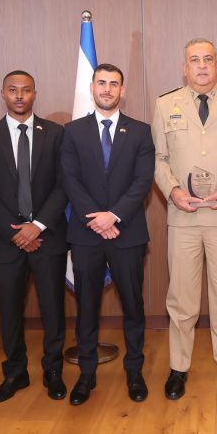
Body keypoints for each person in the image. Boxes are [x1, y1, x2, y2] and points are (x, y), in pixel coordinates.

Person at [152, 39, 217, 400]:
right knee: (181, 298)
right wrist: (172, 191)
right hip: (182, 217)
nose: (201, 66)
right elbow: (158, 159)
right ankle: (178, 367)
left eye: (208, 59)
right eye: (194, 60)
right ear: (184, 68)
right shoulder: (165, 104)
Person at [0, 71, 68, 404]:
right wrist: (15, 231)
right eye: (12, 90)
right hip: (5, 240)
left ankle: (53, 371)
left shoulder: (55, 134)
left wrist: (37, 226)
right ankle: (15, 372)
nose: (19, 96)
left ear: (34, 94)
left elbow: (63, 184)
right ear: (3, 93)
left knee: (53, 308)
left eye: (26, 90)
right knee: (9, 310)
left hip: (48, 237)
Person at [60, 64, 155, 404]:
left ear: (122, 91)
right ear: (92, 87)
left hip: (127, 233)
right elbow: (69, 179)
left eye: (114, 84)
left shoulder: (140, 131)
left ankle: (134, 371)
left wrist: (113, 216)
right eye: (101, 82)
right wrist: (96, 219)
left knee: (133, 305)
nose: (107, 89)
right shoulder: (73, 132)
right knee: (87, 307)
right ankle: (86, 374)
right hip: (86, 235)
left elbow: (143, 181)